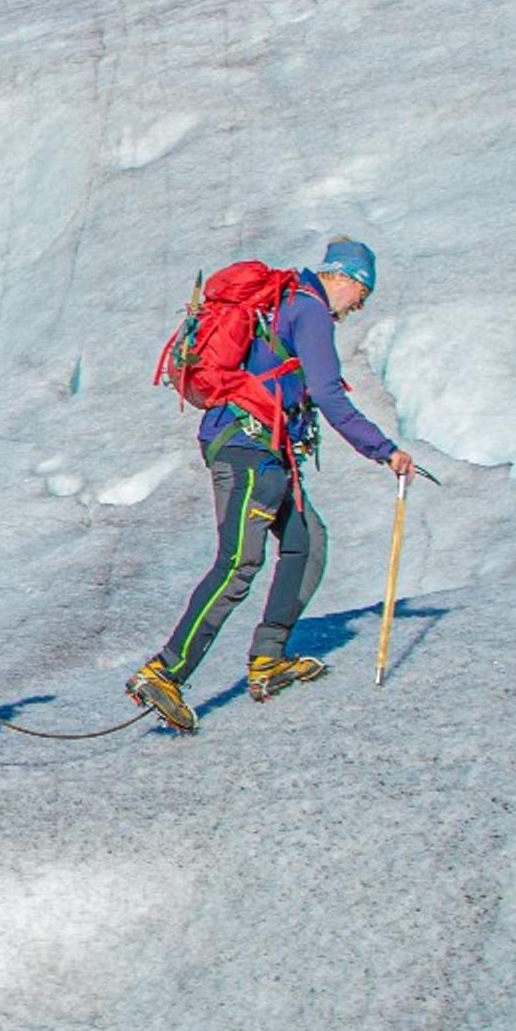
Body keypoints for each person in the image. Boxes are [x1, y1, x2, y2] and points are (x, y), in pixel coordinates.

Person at [129, 236, 416, 734]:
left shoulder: (288, 303)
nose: (359, 307)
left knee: (307, 541)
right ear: (343, 277)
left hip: (261, 448)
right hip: (248, 447)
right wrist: (383, 449)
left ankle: (269, 658)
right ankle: (165, 672)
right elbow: (328, 394)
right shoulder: (310, 310)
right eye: (362, 294)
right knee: (240, 562)